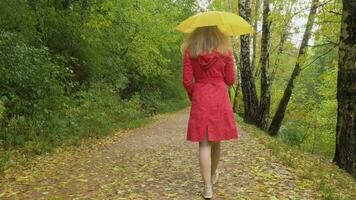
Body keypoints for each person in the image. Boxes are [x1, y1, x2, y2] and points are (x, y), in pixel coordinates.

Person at [181, 25, 238, 199]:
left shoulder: (191, 51)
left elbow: (186, 81)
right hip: (220, 98)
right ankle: (212, 176)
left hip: (201, 97)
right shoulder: (225, 50)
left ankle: (207, 187)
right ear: (217, 33)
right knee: (217, 141)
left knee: (204, 144)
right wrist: (229, 62)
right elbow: (230, 80)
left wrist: (194, 94)